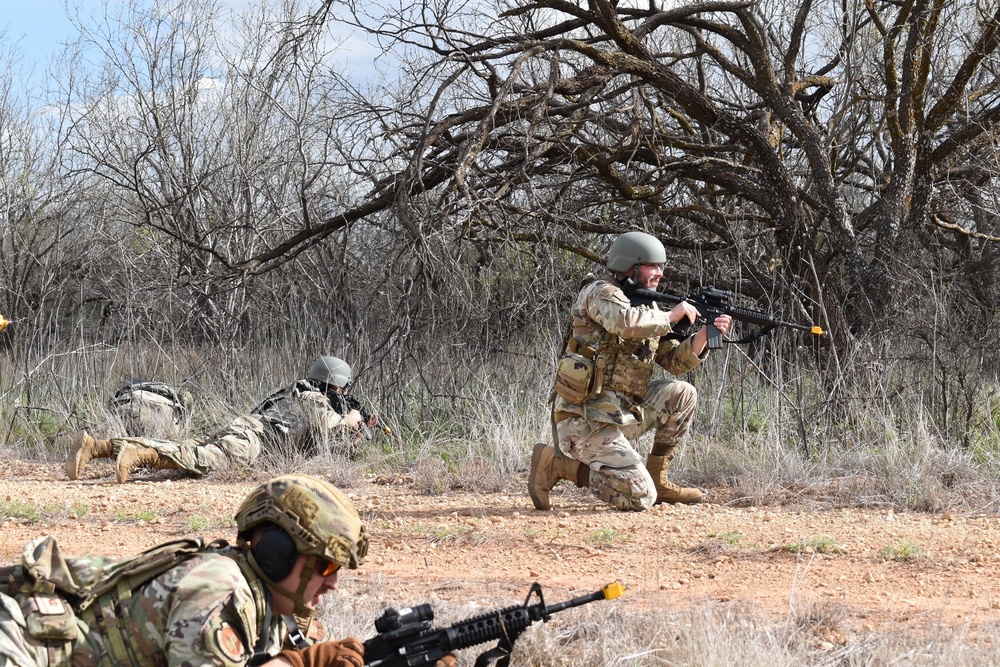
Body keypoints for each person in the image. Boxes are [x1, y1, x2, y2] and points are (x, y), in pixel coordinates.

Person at [0, 474, 456, 667]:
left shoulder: (278, 608)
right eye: (326, 565)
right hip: (24, 643)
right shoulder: (219, 590)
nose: (334, 582)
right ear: (277, 553)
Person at [528, 231, 733, 512]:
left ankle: (659, 481)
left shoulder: (647, 307)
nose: (660, 272)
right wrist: (672, 315)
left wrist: (705, 335)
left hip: (621, 413)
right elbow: (624, 322)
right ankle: (558, 464)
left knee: (683, 394)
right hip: (584, 419)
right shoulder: (599, 292)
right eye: (653, 266)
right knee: (639, 497)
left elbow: (674, 360)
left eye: (661, 266)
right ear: (631, 266)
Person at [66, 356, 371, 483]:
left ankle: (98, 447)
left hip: (247, 430)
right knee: (199, 458)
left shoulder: (297, 390)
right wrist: (352, 420)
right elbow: (326, 425)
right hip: (254, 440)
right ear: (336, 383)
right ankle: (139, 454)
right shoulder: (313, 397)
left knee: (189, 447)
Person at [107, 378, 193, 439]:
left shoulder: (126, 393)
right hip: (166, 416)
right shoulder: (167, 394)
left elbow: (111, 409)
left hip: (130, 408)